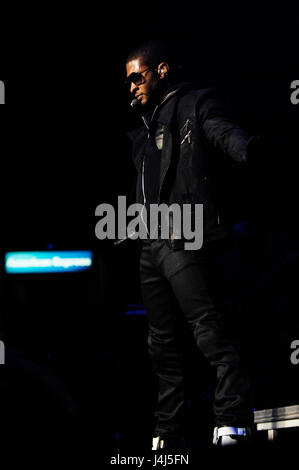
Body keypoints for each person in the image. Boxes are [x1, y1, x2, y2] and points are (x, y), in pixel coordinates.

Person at [123, 39, 258, 450]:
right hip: (152, 243)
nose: (131, 87)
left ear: (161, 70)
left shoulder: (195, 104)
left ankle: (230, 421)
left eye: (136, 76)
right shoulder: (143, 131)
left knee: (208, 329)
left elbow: (225, 135)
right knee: (161, 346)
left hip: (184, 233)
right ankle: (168, 435)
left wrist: (249, 150)